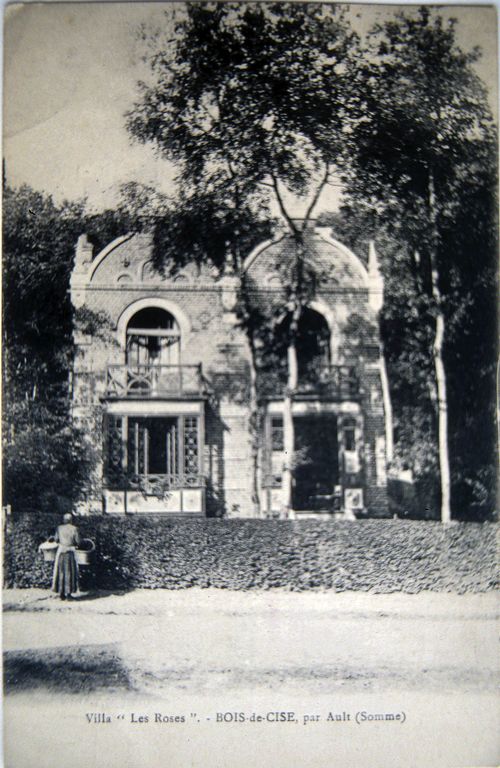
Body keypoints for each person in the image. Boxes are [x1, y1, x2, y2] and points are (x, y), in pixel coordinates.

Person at [52, 513, 80, 600]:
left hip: (61, 551)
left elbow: (56, 540)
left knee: (60, 571)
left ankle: (61, 593)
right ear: (71, 520)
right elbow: (78, 541)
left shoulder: (59, 528)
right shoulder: (74, 529)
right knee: (70, 571)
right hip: (70, 551)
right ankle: (68, 594)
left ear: (64, 520)